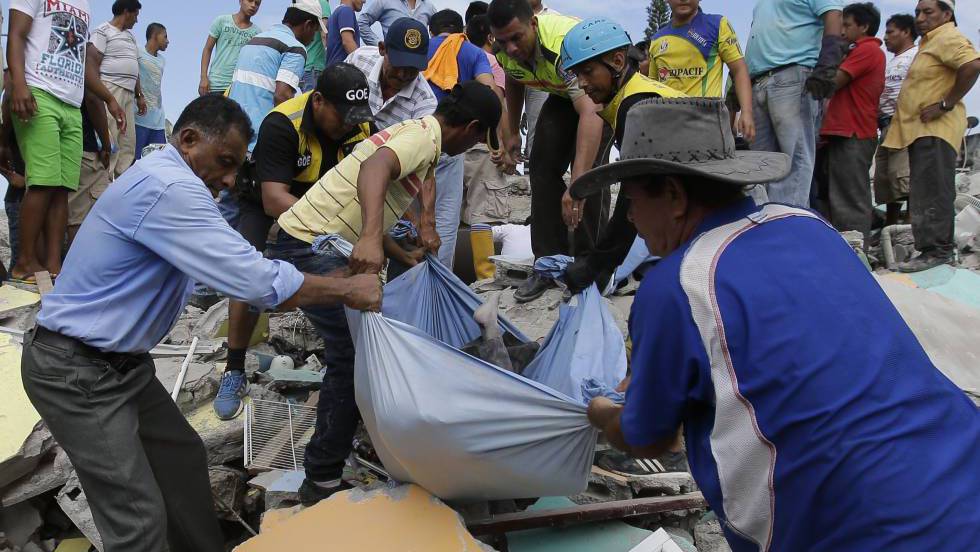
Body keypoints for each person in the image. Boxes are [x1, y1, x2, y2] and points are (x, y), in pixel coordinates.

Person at [577, 98, 980, 551]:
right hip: (963, 473)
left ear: (673, 195)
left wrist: (601, 414)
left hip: (859, 531)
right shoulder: (808, 225)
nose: (630, 219)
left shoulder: (677, 286)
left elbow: (650, 437)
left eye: (631, 203)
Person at [21, 94, 382, 552]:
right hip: (76, 371)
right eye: (225, 162)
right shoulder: (168, 188)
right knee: (137, 521)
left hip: (120, 367)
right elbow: (254, 280)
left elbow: (239, 261)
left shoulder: (177, 184)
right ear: (189, 139)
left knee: (182, 461)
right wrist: (347, 290)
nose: (231, 180)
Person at [272, 81, 501, 505]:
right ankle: (320, 479)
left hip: (318, 239)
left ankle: (355, 453)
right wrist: (374, 240)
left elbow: (387, 195)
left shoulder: (422, 139)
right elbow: (375, 169)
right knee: (354, 355)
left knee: (363, 348)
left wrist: (400, 249)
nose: (473, 146)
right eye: (478, 139)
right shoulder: (420, 137)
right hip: (309, 242)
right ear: (471, 127)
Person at [212, 64, 375, 420]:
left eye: (356, 116)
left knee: (355, 271)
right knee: (247, 278)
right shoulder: (282, 123)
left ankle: (353, 367)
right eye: (342, 115)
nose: (350, 124)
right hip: (268, 202)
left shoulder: (361, 126)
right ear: (318, 101)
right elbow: (274, 199)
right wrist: (335, 226)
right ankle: (234, 368)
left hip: (323, 206)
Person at [489, 0, 611, 303]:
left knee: (591, 176)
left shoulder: (563, 46)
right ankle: (547, 262)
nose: (512, 48)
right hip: (562, 92)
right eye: (503, 42)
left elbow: (591, 113)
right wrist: (513, 130)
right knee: (541, 166)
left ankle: (589, 264)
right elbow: (515, 79)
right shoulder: (505, 49)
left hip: (603, 93)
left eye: (517, 38)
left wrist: (577, 183)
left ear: (533, 23)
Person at [559, 18, 684, 294]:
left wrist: (596, 265)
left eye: (588, 72)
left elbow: (634, 196)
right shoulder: (632, 95)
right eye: (577, 75)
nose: (582, 84)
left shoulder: (635, 106)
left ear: (617, 61)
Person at [883, 0, 980, 272]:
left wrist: (945, 104)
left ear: (946, 14)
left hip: (936, 129)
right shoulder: (930, 42)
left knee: (933, 189)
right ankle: (930, 249)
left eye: (928, 12)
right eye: (917, 13)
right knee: (925, 189)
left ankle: (937, 252)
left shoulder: (947, 36)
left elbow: (972, 66)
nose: (920, 18)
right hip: (922, 131)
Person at [7, 0, 93, 283]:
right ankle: (25, 262)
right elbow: (16, 35)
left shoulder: (85, 5)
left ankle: (55, 265)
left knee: (62, 189)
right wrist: (19, 84)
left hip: (71, 103)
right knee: (43, 182)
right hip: (39, 91)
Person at [424, 9, 508, 268]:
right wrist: (499, 139)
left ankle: (409, 282)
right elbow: (490, 89)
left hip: (418, 137)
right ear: (461, 30)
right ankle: (442, 282)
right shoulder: (472, 52)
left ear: (431, 30)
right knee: (447, 220)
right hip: (454, 142)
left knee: (416, 219)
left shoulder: (421, 47)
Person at [744, 0, 844, 207]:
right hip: (758, 80)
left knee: (794, 159)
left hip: (791, 75)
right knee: (760, 165)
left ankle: (786, 227)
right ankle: (764, 226)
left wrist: (828, 60)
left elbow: (833, 15)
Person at [814, 2, 884, 240]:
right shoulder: (854, 50)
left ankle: (856, 253)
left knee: (850, 198)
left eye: (847, 25)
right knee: (835, 195)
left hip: (854, 132)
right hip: (840, 132)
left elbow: (832, 82)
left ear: (864, 27)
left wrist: (829, 56)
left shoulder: (868, 50)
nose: (841, 31)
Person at [647, 0, 754, 142]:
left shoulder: (718, 24)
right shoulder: (656, 40)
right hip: (669, 129)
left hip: (709, 126)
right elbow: (652, 89)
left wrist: (747, 112)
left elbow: (739, 69)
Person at [227, 1, 321, 152]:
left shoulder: (253, 41)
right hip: (259, 140)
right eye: (315, 32)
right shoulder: (295, 48)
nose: (312, 39)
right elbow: (282, 96)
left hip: (232, 133)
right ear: (308, 25)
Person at [461, 13, 510, 235]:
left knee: (458, 219)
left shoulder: (458, 56)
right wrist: (502, 145)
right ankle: (482, 270)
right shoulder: (490, 62)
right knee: (485, 222)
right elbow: (497, 104)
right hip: (485, 150)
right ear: (491, 37)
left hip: (458, 146)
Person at [345, 18, 438, 134]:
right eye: (397, 64)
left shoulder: (425, 102)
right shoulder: (358, 60)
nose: (402, 75)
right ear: (382, 49)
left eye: (413, 68)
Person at [89, 0, 145, 179]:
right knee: (110, 137)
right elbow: (92, 65)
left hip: (129, 93)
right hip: (111, 89)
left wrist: (139, 95)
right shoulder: (102, 31)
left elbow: (134, 66)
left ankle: (123, 182)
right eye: (135, 15)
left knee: (128, 141)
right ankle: (104, 180)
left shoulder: (130, 37)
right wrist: (103, 96)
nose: (136, 20)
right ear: (126, 12)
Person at [876, 14, 919, 227]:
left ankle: (910, 232)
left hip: (904, 123)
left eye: (890, 32)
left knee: (905, 178)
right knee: (886, 181)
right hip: (885, 125)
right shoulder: (891, 62)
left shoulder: (916, 55)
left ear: (906, 32)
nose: (885, 37)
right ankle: (890, 229)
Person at [199, 0, 263, 96]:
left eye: (257, 3)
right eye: (250, 1)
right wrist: (203, 77)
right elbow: (207, 49)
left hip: (238, 88)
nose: (253, 5)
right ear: (240, 1)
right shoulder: (222, 21)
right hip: (215, 85)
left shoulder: (257, 33)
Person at [521, 0, 555, 168]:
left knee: (538, 117)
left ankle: (536, 163)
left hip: (545, 76)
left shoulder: (553, 17)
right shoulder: (511, 13)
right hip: (518, 69)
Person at [135, 22, 168, 159]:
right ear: (155, 36)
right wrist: (139, 95)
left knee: (160, 161)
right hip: (139, 118)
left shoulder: (162, 60)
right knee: (132, 160)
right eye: (165, 37)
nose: (167, 41)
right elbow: (133, 74)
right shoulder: (137, 52)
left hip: (158, 121)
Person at [357, 0, 438, 47]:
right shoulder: (385, 1)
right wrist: (377, 44)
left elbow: (438, 31)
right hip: (392, 60)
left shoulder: (429, 7)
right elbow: (362, 23)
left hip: (421, 61)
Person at [300, 0, 331, 92]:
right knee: (315, 103)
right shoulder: (323, 3)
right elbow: (324, 33)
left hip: (304, 66)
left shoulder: (307, 5)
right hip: (315, 66)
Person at [326, 0, 364, 67]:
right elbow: (347, 42)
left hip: (332, 69)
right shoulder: (346, 11)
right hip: (342, 71)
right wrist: (361, 66)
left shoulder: (333, 15)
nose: (364, 1)